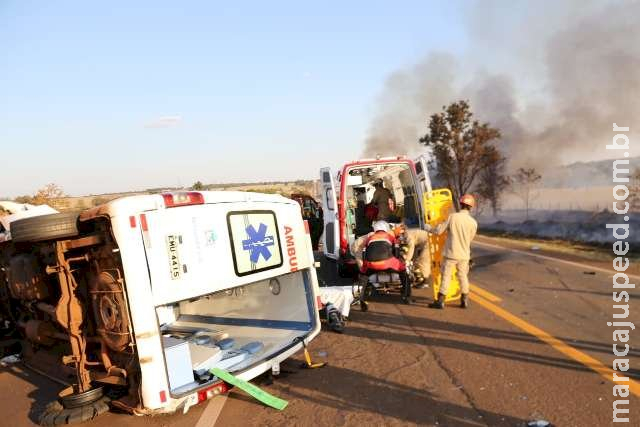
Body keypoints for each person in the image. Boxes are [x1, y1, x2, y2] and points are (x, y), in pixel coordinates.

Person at [427, 194, 478, 309]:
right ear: (471, 207)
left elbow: (439, 231)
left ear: (460, 204)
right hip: (464, 254)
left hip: (451, 253)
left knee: (446, 276)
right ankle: (464, 299)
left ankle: (440, 301)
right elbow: (470, 239)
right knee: (463, 276)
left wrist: (428, 228)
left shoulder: (453, 217)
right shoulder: (473, 222)